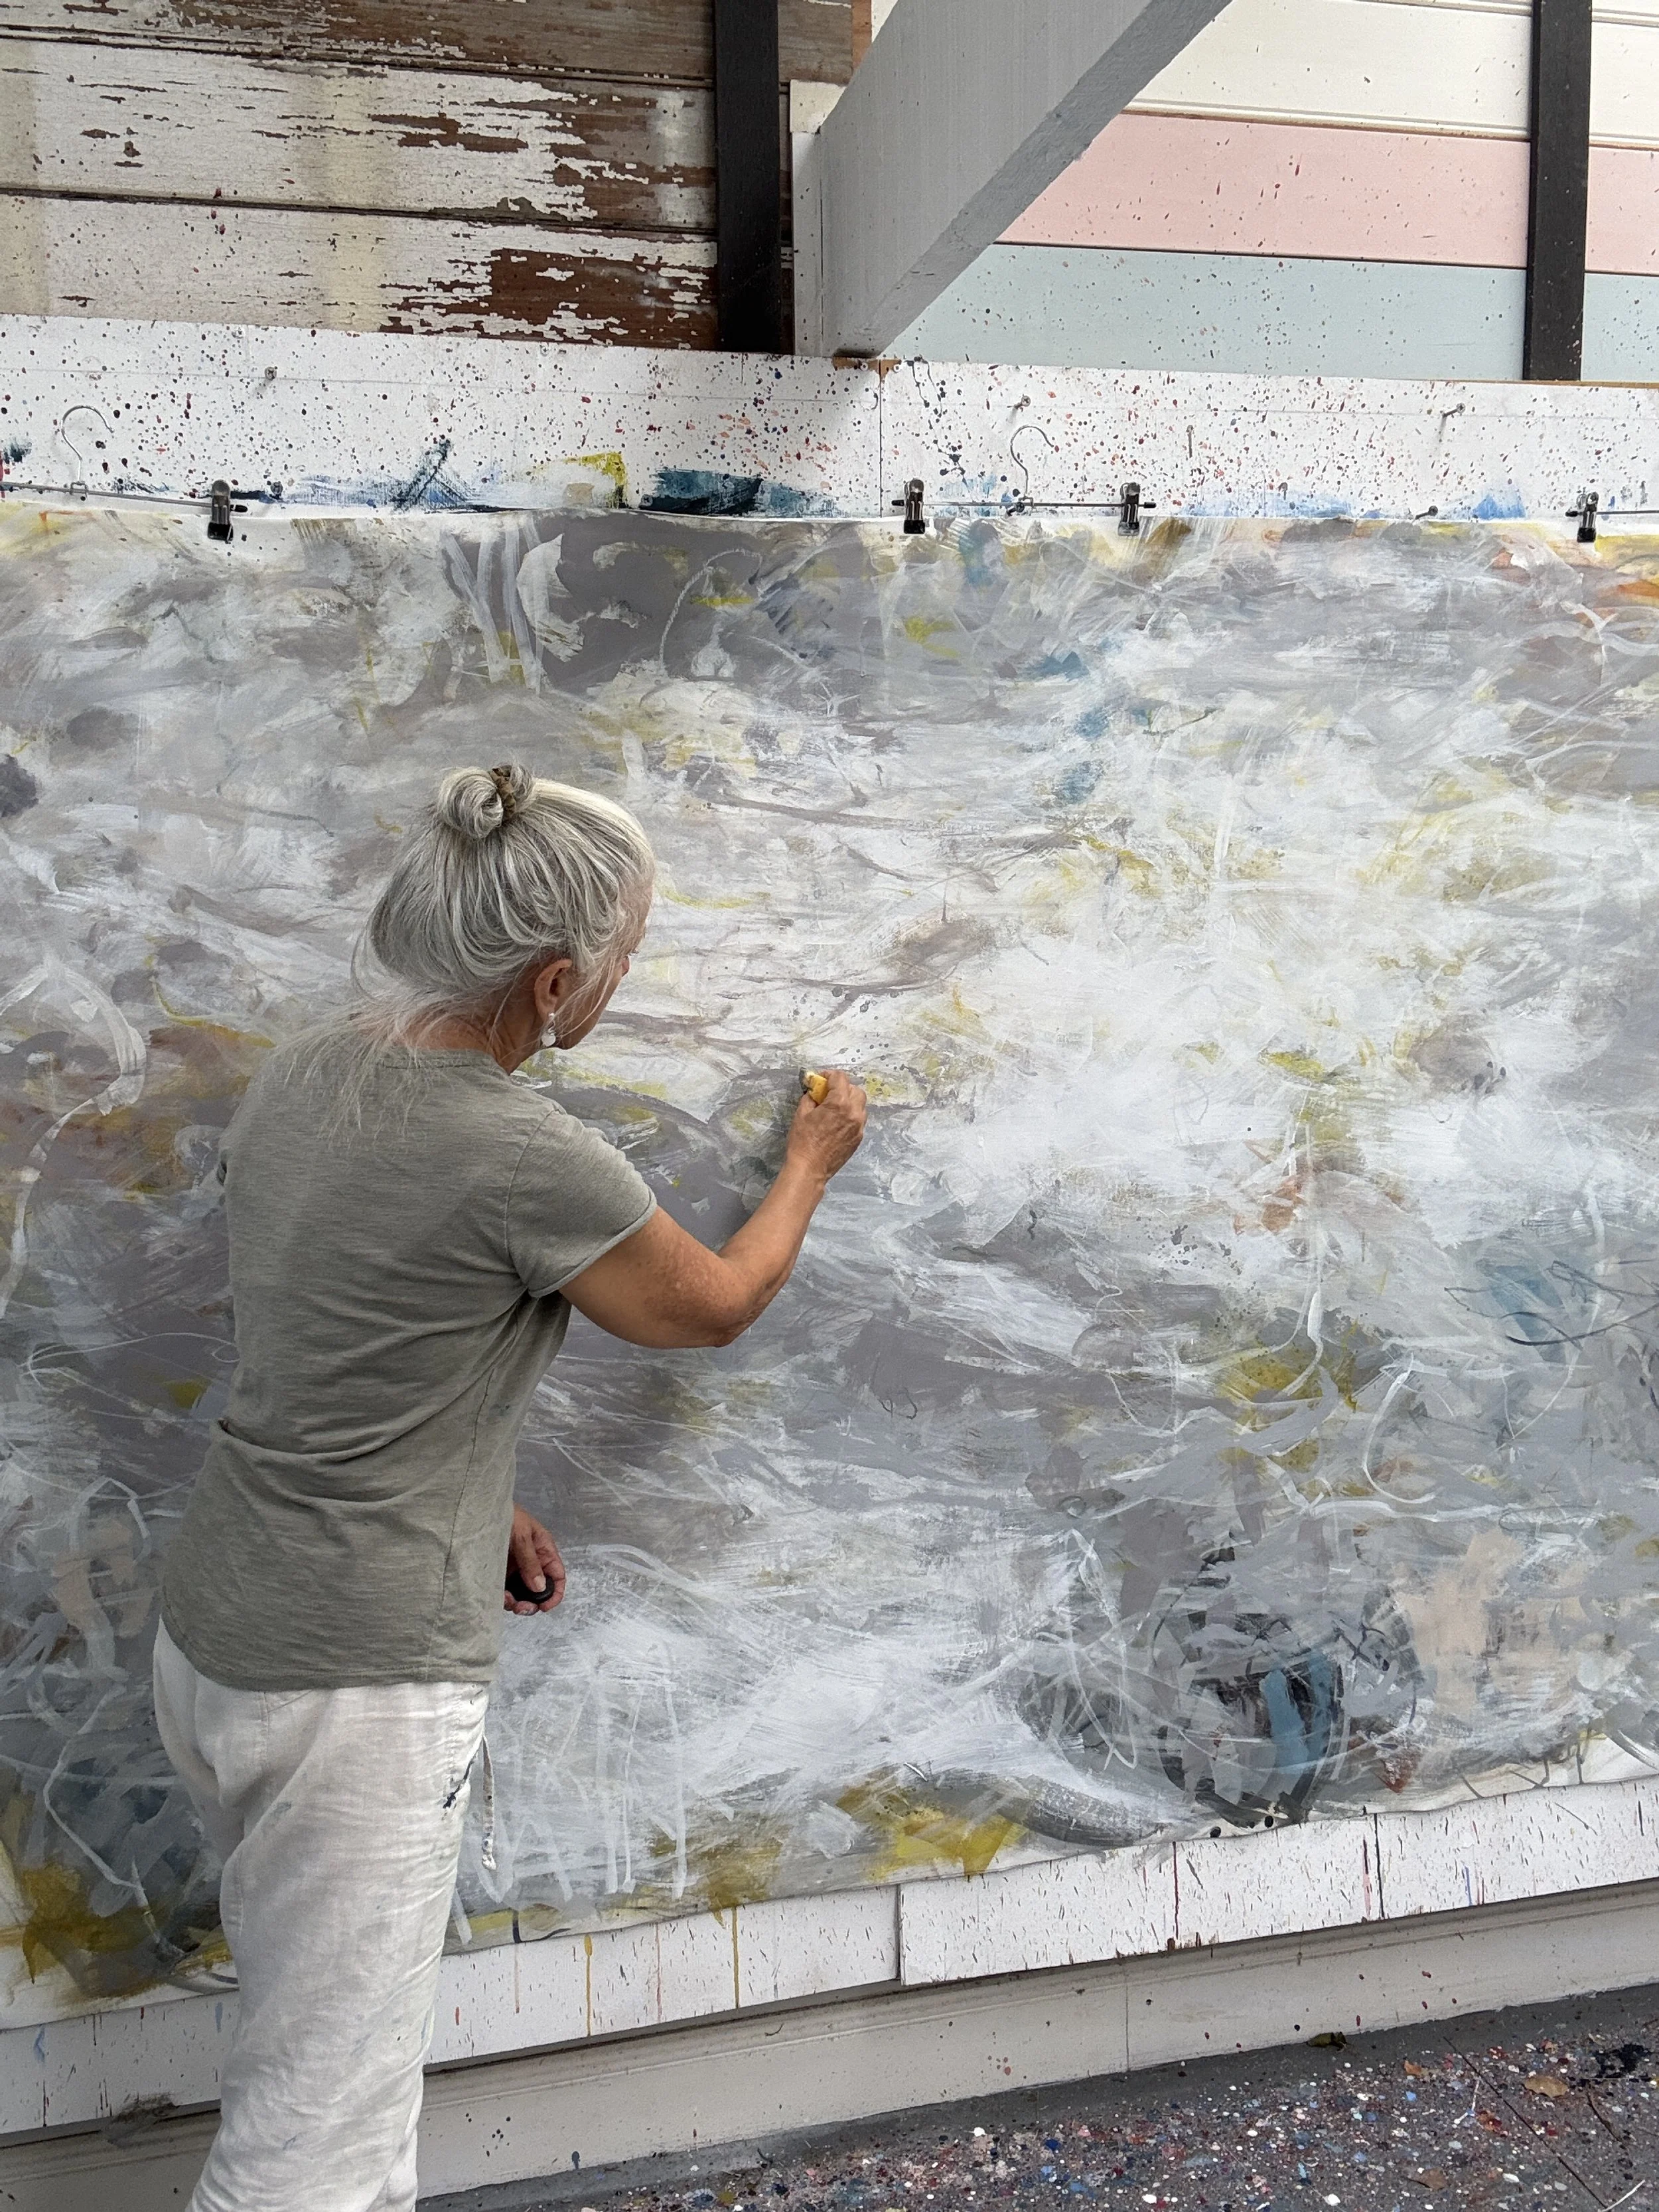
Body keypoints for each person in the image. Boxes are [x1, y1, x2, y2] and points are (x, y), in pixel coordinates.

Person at [153, 763, 866, 2212]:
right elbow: (710, 1304)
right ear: (551, 982)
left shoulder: (304, 1071)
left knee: (308, 2067)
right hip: (349, 1688)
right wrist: (809, 1161)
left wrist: (476, 1489)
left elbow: (350, 1323)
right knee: (319, 2151)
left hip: (219, 1632)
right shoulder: (524, 1151)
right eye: (621, 962)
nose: (619, 983)